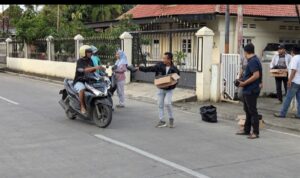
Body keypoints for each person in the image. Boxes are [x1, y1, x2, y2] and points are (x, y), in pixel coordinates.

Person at [137, 52, 180, 128]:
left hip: (169, 90)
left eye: (164, 58)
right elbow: (150, 69)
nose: (163, 60)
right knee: (160, 104)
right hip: (160, 89)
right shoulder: (160, 65)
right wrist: (140, 68)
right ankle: (162, 121)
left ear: (169, 60)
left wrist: (171, 84)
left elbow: (177, 79)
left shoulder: (174, 69)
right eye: (163, 58)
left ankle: (171, 118)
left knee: (167, 103)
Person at [236, 43, 262, 139]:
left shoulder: (253, 61)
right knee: (247, 110)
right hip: (249, 89)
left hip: (251, 90)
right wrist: (242, 80)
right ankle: (247, 130)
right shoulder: (254, 60)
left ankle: (255, 132)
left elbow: (256, 75)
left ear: (246, 52)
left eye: (244, 52)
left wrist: (244, 83)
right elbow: (253, 75)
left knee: (252, 111)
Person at [73, 45, 105, 114]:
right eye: (89, 52)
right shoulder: (80, 61)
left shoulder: (90, 60)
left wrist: (100, 69)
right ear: (84, 53)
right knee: (82, 89)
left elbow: (92, 69)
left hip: (88, 80)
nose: (91, 53)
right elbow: (84, 70)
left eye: (91, 52)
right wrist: (95, 68)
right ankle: (82, 106)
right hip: (79, 81)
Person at [274, 45, 300, 118]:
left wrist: (289, 80)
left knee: (288, 98)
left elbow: (294, 70)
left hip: (294, 81)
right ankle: (299, 114)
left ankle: (282, 113)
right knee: (299, 99)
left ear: (293, 51)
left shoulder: (295, 58)